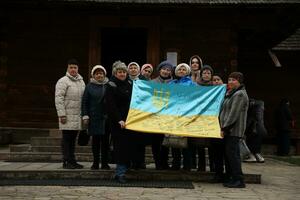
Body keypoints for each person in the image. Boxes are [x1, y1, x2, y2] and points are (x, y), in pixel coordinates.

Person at [219, 72, 249, 188]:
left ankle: (239, 180)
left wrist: (225, 128)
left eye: (234, 80)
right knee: (230, 155)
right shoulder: (231, 93)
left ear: (239, 81)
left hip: (233, 131)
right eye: (229, 79)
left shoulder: (239, 95)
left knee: (233, 155)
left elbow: (233, 114)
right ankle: (232, 178)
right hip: (229, 131)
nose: (231, 82)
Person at [55, 58, 85, 169]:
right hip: (66, 116)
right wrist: (61, 114)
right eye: (71, 67)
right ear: (67, 68)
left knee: (72, 140)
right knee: (66, 139)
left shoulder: (81, 81)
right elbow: (59, 98)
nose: (73, 69)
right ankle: (66, 161)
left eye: (75, 67)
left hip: (77, 116)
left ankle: (72, 160)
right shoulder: (63, 81)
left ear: (78, 69)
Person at [106, 61, 133, 183]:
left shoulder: (130, 83)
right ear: (115, 73)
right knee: (120, 148)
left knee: (127, 147)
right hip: (118, 122)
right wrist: (119, 119)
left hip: (130, 120)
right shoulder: (111, 85)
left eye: (123, 72)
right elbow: (111, 106)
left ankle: (122, 171)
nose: (122, 74)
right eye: (119, 72)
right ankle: (120, 173)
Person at [81, 65, 111, 170]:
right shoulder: (89, 86)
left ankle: (105, 163)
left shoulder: (109, 85)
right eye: (97, 73)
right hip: (94, 118)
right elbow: (85, 102)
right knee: (95, 142)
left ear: (104, 75)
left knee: (105, 142)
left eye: (101, 73)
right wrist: (85, 115)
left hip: (106, 118)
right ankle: (95, 163)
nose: (99, 75)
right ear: (93, 75)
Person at [169, 63, 196, 171]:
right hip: (174, 116)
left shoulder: (192, 84)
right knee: (174, 141)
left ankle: (187, 165)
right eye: (180, 69)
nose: (181, 71)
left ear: (188, 71)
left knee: (186, 142)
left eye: (184, 69)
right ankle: (175, 164)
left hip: (187, 116)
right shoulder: (171, 84)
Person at [151, 60, 173, 170]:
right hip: (155, 116)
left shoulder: (173, 83)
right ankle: (157, 163)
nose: (165, 71)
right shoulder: (153, 82)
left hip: (168, 117)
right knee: (156, 141)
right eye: (164, 69)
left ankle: (165, 162)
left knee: (166, 141)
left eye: (168, 70)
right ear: (160, 70)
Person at [193, 64, 215, 172]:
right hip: (199, 118)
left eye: (208, 73)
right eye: (204, 73)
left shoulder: (216, 87)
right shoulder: (196, 86)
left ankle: (213, 167)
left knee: (212, 145)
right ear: (201, 75)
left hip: (211, 119)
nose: (206, 75)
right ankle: (201, 167)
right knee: (199, 144)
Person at [244, 99, 267, 163]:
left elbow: (250, 121)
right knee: (257, 145)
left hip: (254, 130)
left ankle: (252, 157)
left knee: (251, 143)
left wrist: (245, 129)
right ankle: (259, 158)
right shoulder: (260, 110)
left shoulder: (253, 111)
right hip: (261, 130)